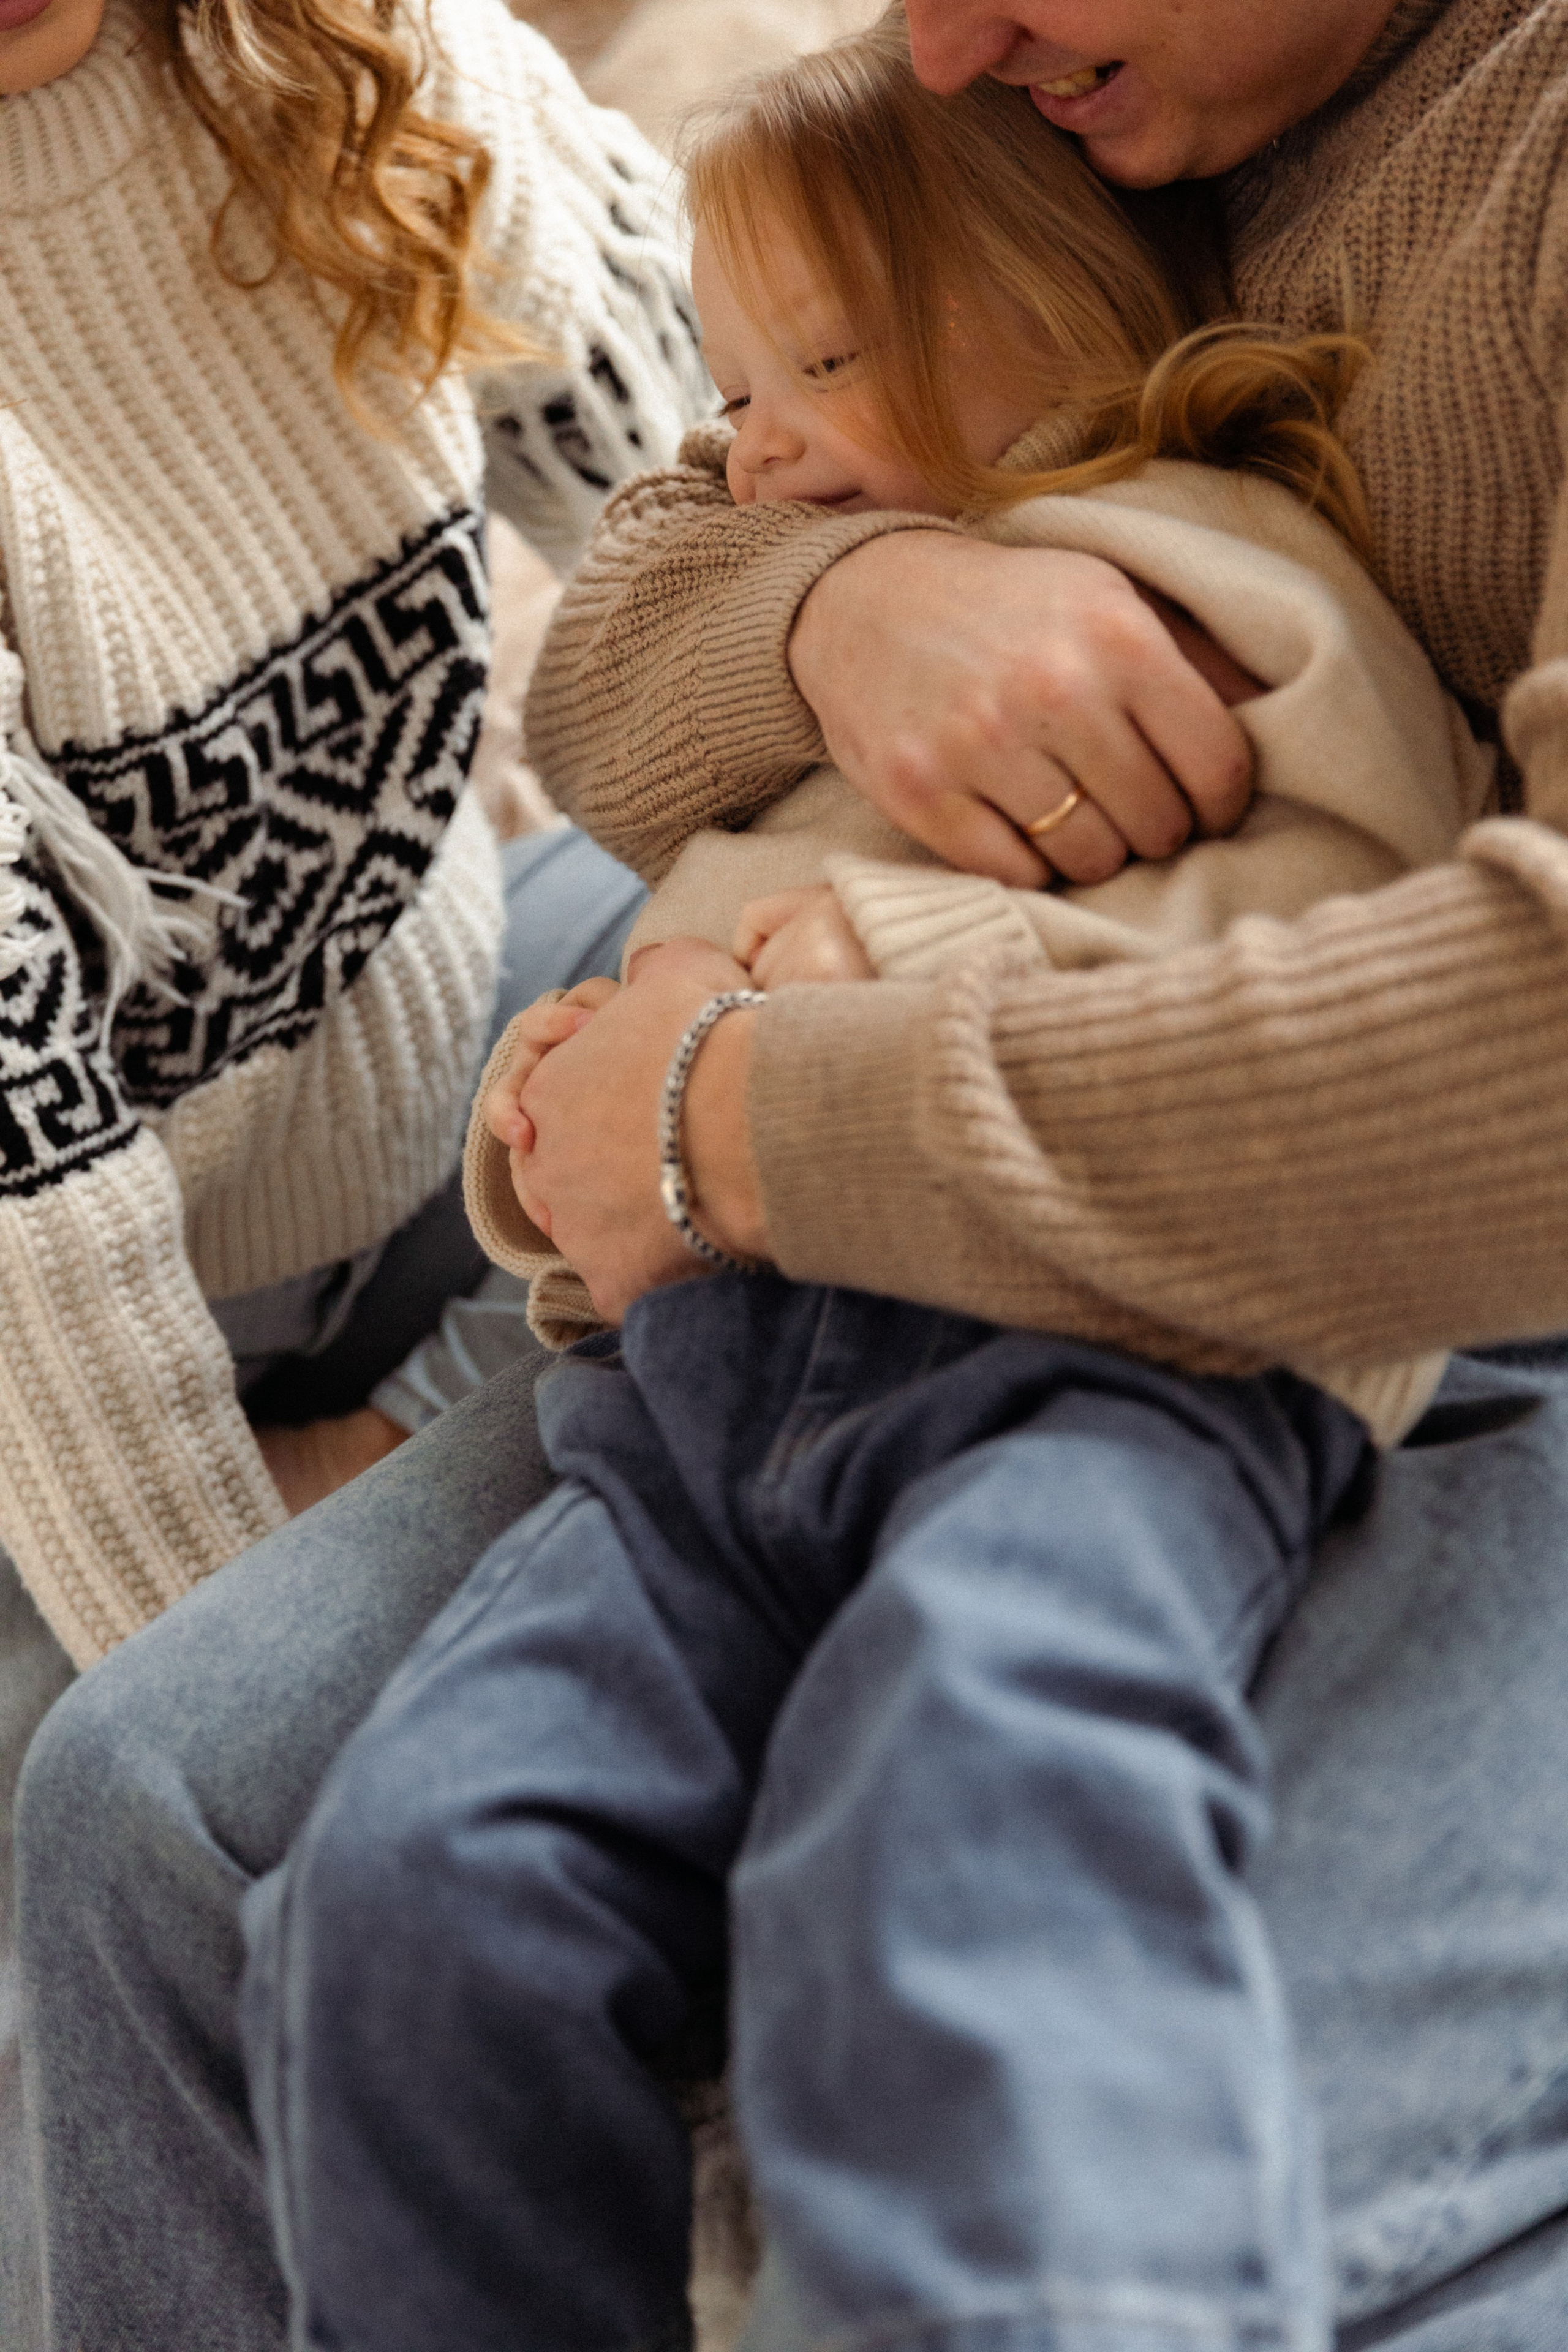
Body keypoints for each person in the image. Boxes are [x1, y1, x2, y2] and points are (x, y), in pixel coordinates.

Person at [18, 0, 1568, 2345]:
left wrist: (735, 1105)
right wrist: (847, 604)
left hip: (1226, 1321)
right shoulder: (1035, 83)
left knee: (958, 1888)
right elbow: (619, 665)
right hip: (733, 1353)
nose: (933, 34)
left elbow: (1479, 1028)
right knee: (201, 1819)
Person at [0, 0, 704, 2332]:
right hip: (84, 1369)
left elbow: (714, 477)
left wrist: (861, 611)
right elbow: (34, 1200)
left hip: (456, 1072)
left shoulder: (336, 46)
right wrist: (240, 1624)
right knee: (142, 1885)